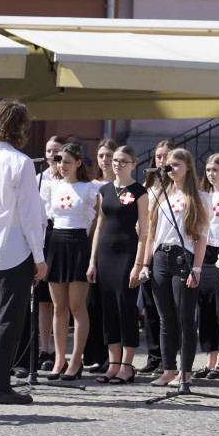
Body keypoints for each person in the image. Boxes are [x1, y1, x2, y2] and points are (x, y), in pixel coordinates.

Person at [0, 99, 46, 405]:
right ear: (19, 127)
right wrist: (39, 256)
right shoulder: (21, 162)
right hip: (14, 248)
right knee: (8, 318)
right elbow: (29, 214)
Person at [140, 148, 209, 387]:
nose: (170, 169)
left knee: (184, 318)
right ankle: (168, 369)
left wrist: (197, 269)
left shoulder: (200, 197)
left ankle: (186, 371)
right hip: (161, 257)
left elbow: (202, 237)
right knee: (165, 318)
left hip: (184, 258)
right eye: (167, 165)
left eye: (175, 165)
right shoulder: (159, 194)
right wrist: (145, 264)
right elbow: (151, 234)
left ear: (188, 167)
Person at [87, 145, 148, 385]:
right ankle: (113, 364)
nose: (117, 164)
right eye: (115, 160)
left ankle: (127, 365)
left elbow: (144, 231)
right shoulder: (104, 190)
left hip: (127, 254)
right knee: (109, 309)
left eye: (123, 161)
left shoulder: (139, 191)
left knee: (126, 308)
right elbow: (100, 226)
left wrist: (139, 264)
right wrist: (93, 261)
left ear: (134, 164)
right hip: (105, 255)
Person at [44, 142, 99, 380]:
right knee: (58, 307)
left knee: (77, 307)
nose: (62, 166)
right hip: (56, 243)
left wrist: (92, 257)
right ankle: (59, 359)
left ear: (78, 162)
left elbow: (97, 223)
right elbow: (47, 218)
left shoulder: (89, 188)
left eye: (67, 161)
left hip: (78, 244)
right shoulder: (52, 186)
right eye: (59, 161)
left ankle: (76, 361)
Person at [136, 140, 175, 374]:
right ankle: (153, 356)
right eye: (159, 156)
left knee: (167, 309)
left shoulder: (177, 186)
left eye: (166, 156)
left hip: (166, 249)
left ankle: (169, 358)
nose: (162, 160)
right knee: (150, 305)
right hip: (146, 247)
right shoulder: (147, 184)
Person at [196, 153, 219, 380]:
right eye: (208, 170)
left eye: (215, 170)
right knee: (206, 310)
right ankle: (210, 361)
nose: (211, 174)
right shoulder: (203, 196)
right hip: (204, 253)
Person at [82, 138, 117, 373]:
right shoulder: (90, 184)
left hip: (115, 249)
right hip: (89, 247)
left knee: (111, 303)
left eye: (110, 156)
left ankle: (113, 356)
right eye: (102, 155)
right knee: (91, 303)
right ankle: (93, 354)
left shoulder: (125, 186)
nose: (105, 160)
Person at [35, 135, 64, 370]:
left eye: (56, 150)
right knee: (44, 300)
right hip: (43, 239)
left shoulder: (68, 179)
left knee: (63, 302)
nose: (52, 154)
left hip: (64, 240)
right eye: (48, 150)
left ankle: (62, 352)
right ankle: (45, 350)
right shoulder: (38, 179)